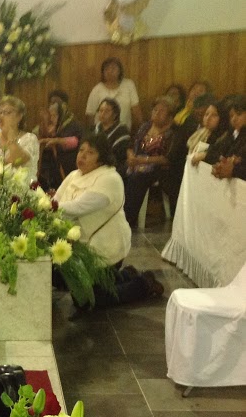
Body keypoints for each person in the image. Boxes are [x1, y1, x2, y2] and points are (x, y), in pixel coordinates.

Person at [54, 133, 163, 307]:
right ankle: (125, 276)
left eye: (90, 152)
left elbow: (78, 207)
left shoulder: (109, 179)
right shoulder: (74, 175)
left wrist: (46, 207)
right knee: (58, 276)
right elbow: (57, 200)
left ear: (101, 158)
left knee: (88, 301)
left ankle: (143, 284)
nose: (82, 155)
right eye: (81, 150)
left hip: (105, 247)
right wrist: (47, 205)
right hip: (81, 247)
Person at [123, 96, 176, 226]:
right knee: (117, 172)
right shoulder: (145, 127)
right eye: (155, 110)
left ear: (170, 116)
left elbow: (167, 158)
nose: (157, 113)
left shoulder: (173, 132)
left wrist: (143, 160)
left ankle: (128, 219)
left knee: (136, 178)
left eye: (161, 111)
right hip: (136, 162)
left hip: (157, 168)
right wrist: (131, 156)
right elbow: (130, 145)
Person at [0, 95, 39, 182]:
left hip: (24, 188)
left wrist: (10, 134)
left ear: (19, 117)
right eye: (0, 112)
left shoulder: (30, 139)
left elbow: (17, 160)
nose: (1, 116)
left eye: (7, 112)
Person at [36, 99, 82, 192]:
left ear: (61, 114)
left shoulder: (72, 125)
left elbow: (75, 142)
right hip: (57, 167)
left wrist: (57, 141)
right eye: (51, 115)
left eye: (54, 115)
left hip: (69, 164)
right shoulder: (59, 126)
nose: (52, 119)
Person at [85, 57, 143, 130]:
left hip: (123, 131)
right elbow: (90, 114)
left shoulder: (129, 85)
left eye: (113, 68)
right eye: (106, 69)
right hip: (102, 133)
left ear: (119, 71)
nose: (110, 71)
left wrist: (141, 130)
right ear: (103, 72)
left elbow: (136, 110)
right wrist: (93, 133)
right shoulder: (97, 90)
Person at [203, 95, 246, 181]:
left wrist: (233, 170)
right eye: (231, 116)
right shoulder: (231, 134)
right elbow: (213, 150)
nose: (234, 119)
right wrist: (221, 164)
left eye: (239, 114)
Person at [93, 98, 131, 180]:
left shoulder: (122, 132)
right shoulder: (95, 129)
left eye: (107, 111)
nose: (102, 114)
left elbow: (118, 157)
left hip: (114, 169)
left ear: (115, 114)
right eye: (100, 110)